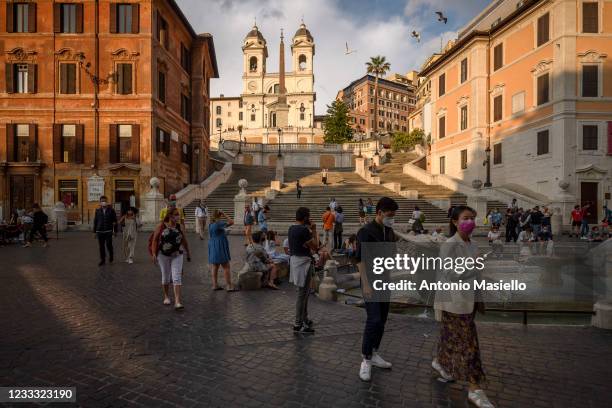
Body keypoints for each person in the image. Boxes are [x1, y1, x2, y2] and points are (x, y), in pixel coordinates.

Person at [433, 205, 495, 408]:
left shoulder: (473, 245)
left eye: (473, 218)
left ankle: (440, 361)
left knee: (450, 337)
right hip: (454, 302)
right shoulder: (449, 245)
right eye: (466, 218)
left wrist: (480, 297)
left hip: (469, 302)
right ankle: (474, 389)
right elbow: (451, 275)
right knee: (470, 345)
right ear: (454, 222)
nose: (471, 222)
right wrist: (473, 266)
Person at [356, 197, 398, 382]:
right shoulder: (365, 231)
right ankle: (365, 359)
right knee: (373, 320)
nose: (392, 218)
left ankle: (374, 353)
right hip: (370, 281)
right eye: (389, 215)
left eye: (393, 215)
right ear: (379, 212)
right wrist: (365, 284)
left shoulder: (389, 231)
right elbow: (360, 260)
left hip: (385, 281)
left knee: (382, 320)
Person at [151, 207, 191, 310]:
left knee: (176, 276)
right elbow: (155, 240)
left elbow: (184, 240)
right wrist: (154, 253)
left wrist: (188, 253)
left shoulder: (180, 226)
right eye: (176, 214)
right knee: (166, 277)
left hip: (177, 254)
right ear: (170, 216)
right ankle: (166, 296)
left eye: (178, 214)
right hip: (163, 255)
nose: (178, 216)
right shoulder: (161, 226)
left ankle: (177, 301)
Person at [288, 207, 319, 334]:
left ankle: (304, 319)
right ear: (306, 217)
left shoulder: (291, 228)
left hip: (296, 261)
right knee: (302, 294)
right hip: (303, 264)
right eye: (309, 216)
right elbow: (316, 247)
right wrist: (314, 230)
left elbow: (304, 244)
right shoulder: (304, 230)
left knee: (304, 293)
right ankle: (298, 324)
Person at [208, 210, 237, 292]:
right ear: (219, 215)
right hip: (219, 245)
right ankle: (229, 286)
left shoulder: (211, 224)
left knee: (215, 266)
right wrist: (225, 214)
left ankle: (215, 285)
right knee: (226, 266)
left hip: (213, 245)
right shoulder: (219, 223)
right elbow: (232, 222)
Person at [93, 196, 117, 266]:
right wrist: (94, 232)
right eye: (102, 201)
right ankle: (102, 259)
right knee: (101, 246)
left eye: (105, 201)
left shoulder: (111, 210)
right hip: (100, 231)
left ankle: (111, 255)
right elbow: (95, 221)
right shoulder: (97, 211)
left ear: (107, 202)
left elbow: (115, 221)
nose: (104, 202)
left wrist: (115, 231)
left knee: (109, 244)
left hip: (108, 231)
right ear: (100, 202)